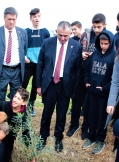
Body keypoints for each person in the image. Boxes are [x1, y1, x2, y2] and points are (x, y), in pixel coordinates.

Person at [36, 21, 82, 152]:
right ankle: (42, 137)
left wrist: (74, 90)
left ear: (70, 33)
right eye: (60, 35)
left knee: (61, 114)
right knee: (47, 113)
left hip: (65, 85)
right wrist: (38, 85)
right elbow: (40, 64)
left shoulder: (76, 46)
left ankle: (58, 138)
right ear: (56, 32)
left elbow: (78, 70)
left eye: (65, 36)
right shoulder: (47, 43)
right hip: (50, 84)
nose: (62, 38)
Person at [67, 13, 108, 140]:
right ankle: (74, 125)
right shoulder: (86, 34)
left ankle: (86, 127)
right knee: (76, 101)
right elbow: (81, 48)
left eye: (99, 27)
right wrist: (83, 54)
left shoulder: (106, 37)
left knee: (88, 105)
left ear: (104, 25)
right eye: (94, 27)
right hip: (82, 70)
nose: (96, 30)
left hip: (95, 74)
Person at [82, 30, 117, 153]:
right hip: (91, 92)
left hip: (104, 94)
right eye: (101, 43)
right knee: (91, 116)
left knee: (102, 118)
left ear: (111, 43)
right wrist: (86, 82)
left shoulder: (115, 56)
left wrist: (105, 88)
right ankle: (91, 137)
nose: (103, 46)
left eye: (106, 43)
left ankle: (100, 140)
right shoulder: (94, 54)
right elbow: (86, 70)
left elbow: (115, 78)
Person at [0, 7, 28, 102]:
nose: (11, 22)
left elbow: (24, 49)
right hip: (2, 70)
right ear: (4, 18)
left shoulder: (23, 32)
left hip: (17, 71)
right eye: (9, 19)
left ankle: (12, 116)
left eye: (13, 19)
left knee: (16, 98)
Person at [22, 8, 50, 116]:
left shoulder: (45, 32)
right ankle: (21, 102)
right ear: (30, 18)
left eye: (38, 16)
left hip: (40, 64)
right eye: (34, 16)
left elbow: (48, 47)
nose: (36, 18)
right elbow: (21, 46)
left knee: (35, 85)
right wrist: (24, 56)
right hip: (28, 63)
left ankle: (31, 104)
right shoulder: (26, 31)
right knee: (23, 83)